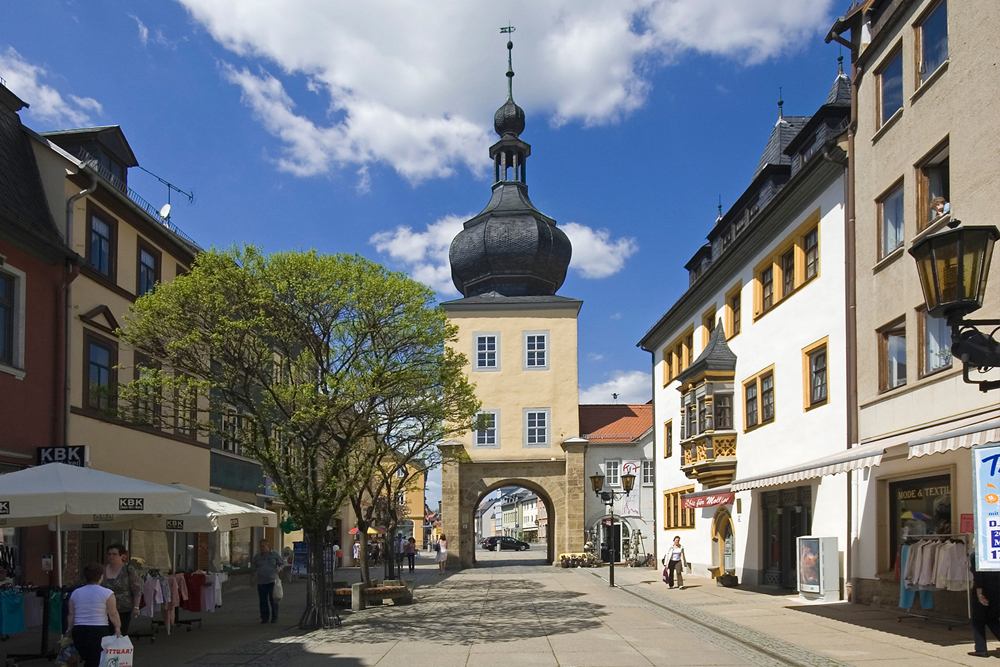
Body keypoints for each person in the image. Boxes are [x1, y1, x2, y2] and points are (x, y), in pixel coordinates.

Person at [69, 562, 121, 667]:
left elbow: (71, 614)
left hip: (79, 629)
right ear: (101, 576)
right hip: (99, 630)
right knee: (97, 658)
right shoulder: (107, 593)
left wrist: (69, 629)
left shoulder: (75, 593)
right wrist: (117, 627)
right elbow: (113, 613)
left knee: (88, 658)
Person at [101, 544, 141, 636]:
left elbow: (137, 589)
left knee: (120, 634)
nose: (111, 556)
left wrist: (136, 607)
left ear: (122, 556)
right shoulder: (102, 569)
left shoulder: (128, 569)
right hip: (104, 609)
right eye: (109, 554)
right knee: (105, 635)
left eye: (114, 554)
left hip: (123, 608)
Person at [972, 552, 1000, 657]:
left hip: (984, 589)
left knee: (978, 620)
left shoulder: (978, 556)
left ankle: (980, 648)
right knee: (992, 618)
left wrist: (979, 594)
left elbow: (978, 574)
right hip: (997, 588)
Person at [252, 539, 283, 624]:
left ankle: (274, 617)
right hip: (261, 582)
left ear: (268, 546)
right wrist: (252, 580)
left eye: (263, 546)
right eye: (260, 547)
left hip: (272, 580)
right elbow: (254, 569)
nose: (261, 548)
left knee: (273, 599)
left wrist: (279, 568)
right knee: (263, 601)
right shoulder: (257, 557)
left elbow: (281, 563)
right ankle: (264, 618)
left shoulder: (275, 554)